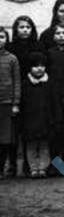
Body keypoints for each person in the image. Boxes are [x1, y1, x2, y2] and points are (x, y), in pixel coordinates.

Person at [0, 30, 20, 177]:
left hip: (6, 103)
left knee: (5, 138)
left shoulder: (12, 59)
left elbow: (16, 81)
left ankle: (1, 168)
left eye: (1, 37)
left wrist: (15, 103)